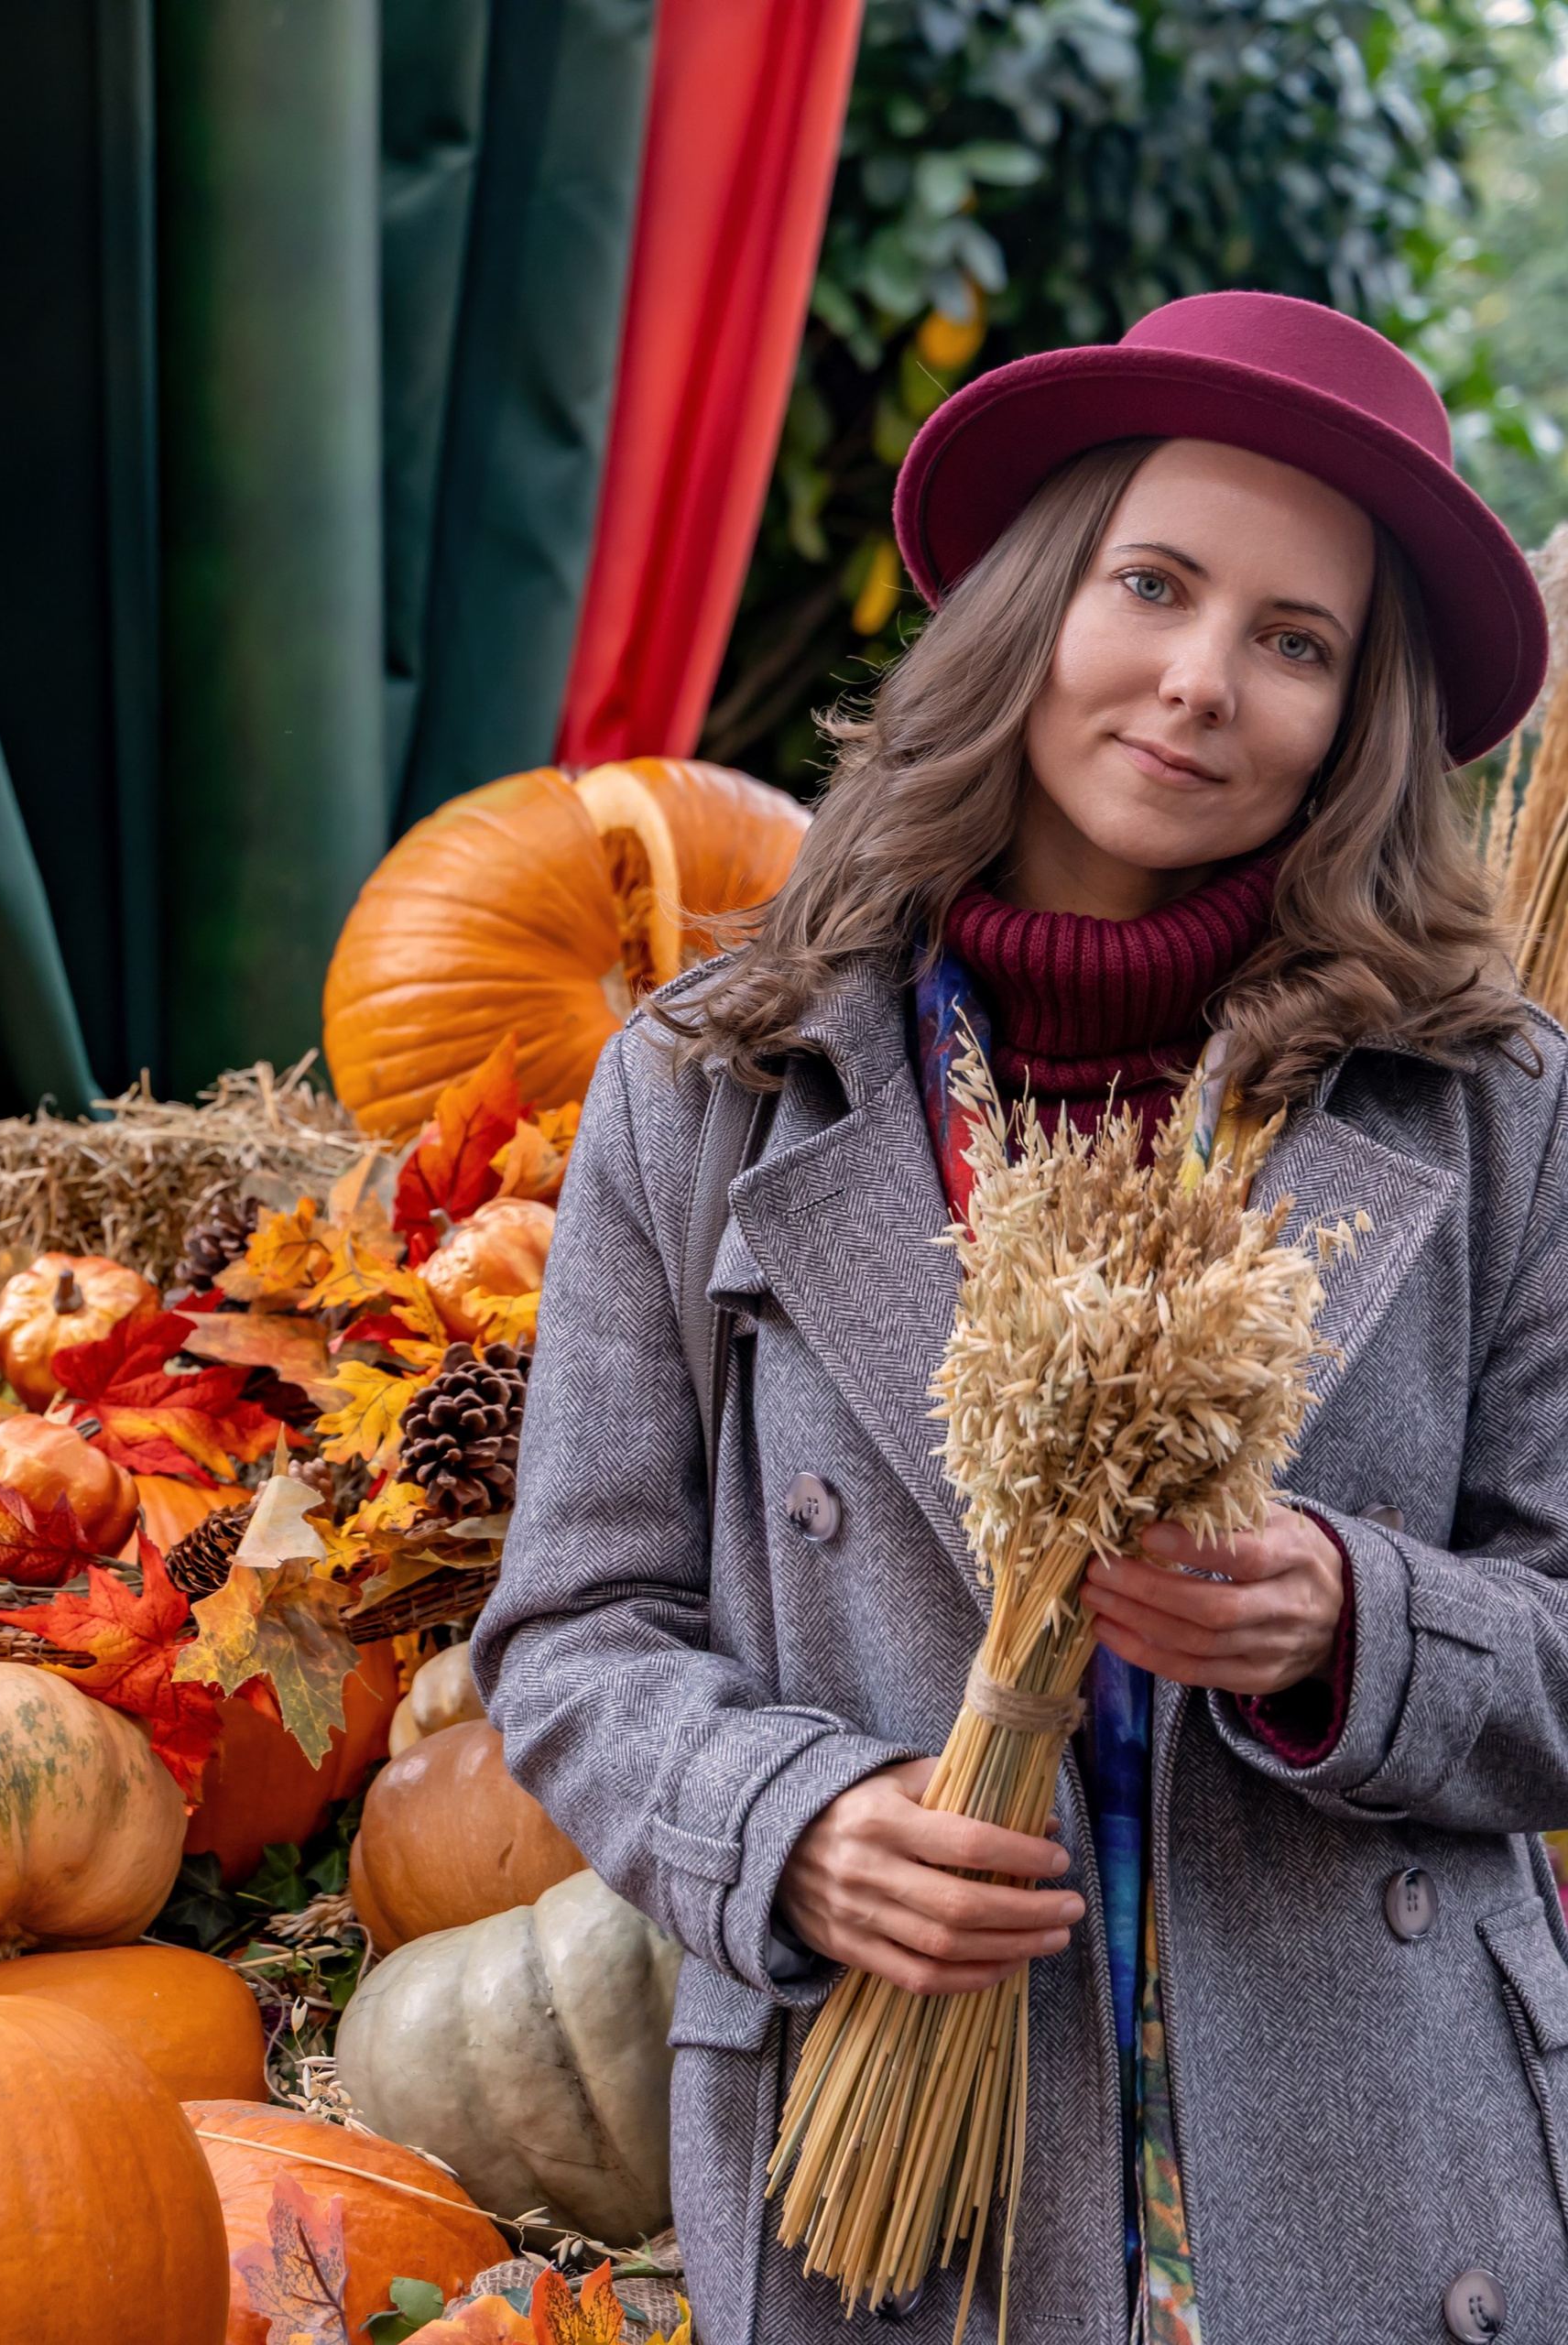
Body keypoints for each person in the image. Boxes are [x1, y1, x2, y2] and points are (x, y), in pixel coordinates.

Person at [477, 291, 1567, 2344]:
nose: (1199, 680)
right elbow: (572, 1625)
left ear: (1358, 717)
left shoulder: (1491, 1106)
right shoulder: (712, 1082)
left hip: (1385, 2166)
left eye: (1295, 641)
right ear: (1032, 599)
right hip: (900, 2178)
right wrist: (789, 1826)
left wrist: (1356, 1621)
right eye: (1151, 584)